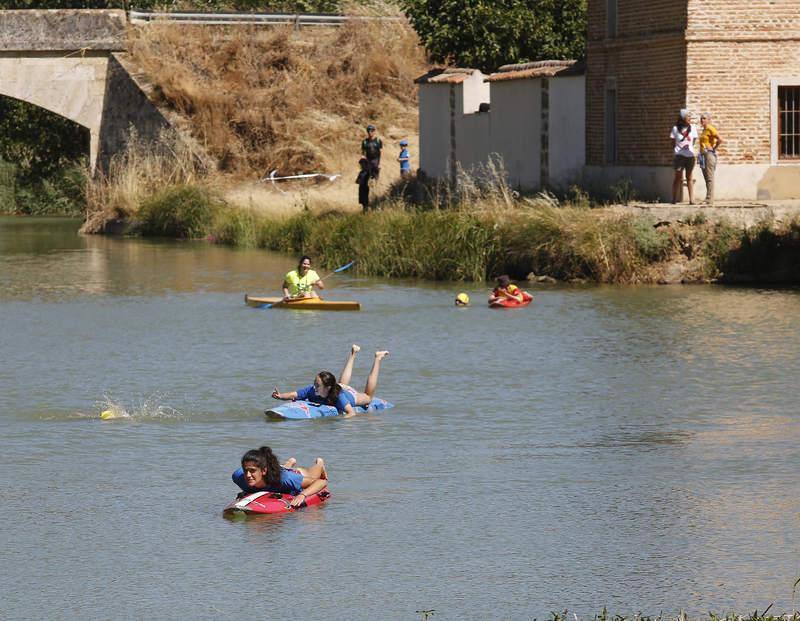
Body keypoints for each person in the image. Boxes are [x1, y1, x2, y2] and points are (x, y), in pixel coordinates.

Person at [271, 345, 389, 418]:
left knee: (368, 397)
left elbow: (351, 413)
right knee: (342, 384)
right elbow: (294, 394)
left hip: (351, 396)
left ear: (327, 387)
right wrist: (280, 396)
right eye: (314, 383)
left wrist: (340, 420)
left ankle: (378, 358)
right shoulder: (312, 390)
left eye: (317, 385)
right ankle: (353, 353)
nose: (314, 387)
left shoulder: (339, 397)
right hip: (337, 387)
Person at [232, 446, 328, 507]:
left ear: (264, 470)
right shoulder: (239, 477)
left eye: (252, 471)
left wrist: (302, 495)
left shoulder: (284, 479)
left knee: (310, 474)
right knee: (281, 470)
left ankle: (319, 464)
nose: (248, 475)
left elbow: (321, 482)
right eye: (245, 470)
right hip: (275, 470)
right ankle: (289, 463)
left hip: (292, 474)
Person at [670, 109, 699, 205]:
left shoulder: (693, 128)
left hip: (690, 156)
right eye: (688, 116)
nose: (690, 118)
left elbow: (693, 141)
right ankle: (674, 198)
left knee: (689, 177)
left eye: (690, 116)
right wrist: (678, 150)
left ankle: (692, 199)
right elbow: (672, 142)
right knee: (678, 177)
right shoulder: (675, 129)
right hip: (679, 156)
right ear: (683, 118)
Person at [699, 113, 723, 206]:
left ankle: (710, 199)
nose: (702, 120)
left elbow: (720, 139)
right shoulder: (704, 130)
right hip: (703, 155)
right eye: (701, 119)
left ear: (709, 120)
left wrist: (713, 148)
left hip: (709, 154)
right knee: (706, 177)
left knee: (709, 177)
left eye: (704, 118)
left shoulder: (710, 128)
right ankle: (708, 197)